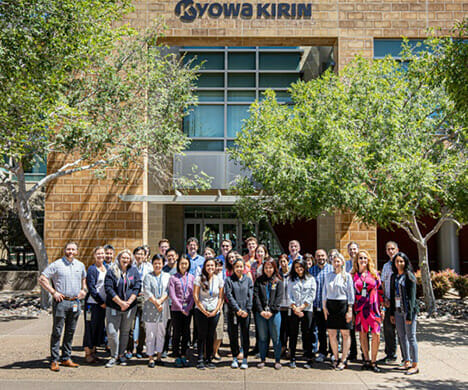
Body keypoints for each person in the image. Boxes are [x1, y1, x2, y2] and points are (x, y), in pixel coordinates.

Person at [39, 242, 87, 371]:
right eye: (68, 249)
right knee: (57, 331)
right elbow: (42, 278)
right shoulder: (57, 264)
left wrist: (84, 290)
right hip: (61, 302)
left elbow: (84, 278)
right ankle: (54, 360)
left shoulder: (80, 265)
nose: (71, 251)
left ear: (76, 251)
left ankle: (66, 357)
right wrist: (53, 292)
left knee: (70, 331)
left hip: (75, 302)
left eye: (73, 249)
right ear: (64, 250)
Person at [104, 249, 141, 367]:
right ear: (119, 258)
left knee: (125, 332)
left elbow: (137, 286)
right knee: (112, 332)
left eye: (127, 258)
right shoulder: (112, 270)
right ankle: (113, 356)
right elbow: (108, 288)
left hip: (130, 307)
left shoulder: (134, 271)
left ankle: (121, 355)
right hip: (114, 306)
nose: (125, 260)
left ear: (131, 259)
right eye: (123, 257)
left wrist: (128, 303)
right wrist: (121, 303)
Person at [351, 250, 384, 372]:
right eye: (360, 258)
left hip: (373, 309)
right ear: (357, 260)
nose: (363, 260)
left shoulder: (374, 274)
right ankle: (366, 359)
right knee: (363, 334)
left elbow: (381, 292)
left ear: (368, 260)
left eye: (365, 258)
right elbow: (351, 294)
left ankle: (374, 361)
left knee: (376, 334)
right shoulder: (353, 276)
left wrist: (383, 308)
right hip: (360, 309)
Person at [322, 252, 355, 370]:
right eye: (334, 261)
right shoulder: (328, 276)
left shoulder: (347, 276)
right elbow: (324, 292)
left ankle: (344, 359)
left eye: (338, 261)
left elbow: (351, 294)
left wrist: (350, 309)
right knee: (331, 333)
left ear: (342, 262)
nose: (336, 263)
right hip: (331, 305)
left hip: (343, 305)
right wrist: (324, 307)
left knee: (345, 333)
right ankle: (335, 358)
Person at [389, 252, 419, 375]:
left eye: (401, 261)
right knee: (401, 337)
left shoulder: (409, 276)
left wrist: (410, 315)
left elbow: (412, 298)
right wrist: (391, 313)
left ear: (405, 262)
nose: (399, 264)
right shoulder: (394, 277)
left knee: (411, 337)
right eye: (397, 261)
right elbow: (392, 295)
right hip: (397, 311)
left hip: (407, 311)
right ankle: (406, 360)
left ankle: (415, 364)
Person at [193, 258, 224, 369]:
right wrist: (203, 310)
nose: (210, 268)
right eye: (208, 265)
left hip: (214, 311)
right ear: (204, 267)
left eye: (212, 265)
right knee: (202, 335)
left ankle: (209, 359)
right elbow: (196, 296)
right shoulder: (199, 279)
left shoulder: (219, 279)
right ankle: (200, 358)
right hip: (201, 310)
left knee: (211, 335)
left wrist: (215, 311)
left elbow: (220, 297)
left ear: (215, 267)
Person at [253, 257, 284, 369]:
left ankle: (277, 360)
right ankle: (262, 359)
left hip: (274, 314)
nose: (268, 269)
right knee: (262, 337)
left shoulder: (278, 281)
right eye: (266, 267)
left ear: (274, 268)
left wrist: (271, 311)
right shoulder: (259, 281)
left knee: (276, 337)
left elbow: (279, 299)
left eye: (270, 267)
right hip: (261, 314)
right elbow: (256, 297)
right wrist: (261, 311)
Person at [142, 254, 171, 367]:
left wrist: (161, 301)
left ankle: (159, 355)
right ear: (152, 264)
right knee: (150, 334)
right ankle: (150, 357)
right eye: (155, 263)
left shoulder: (167, 276)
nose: (157, 265)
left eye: (160, 263)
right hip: (151, 308)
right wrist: (156, 302)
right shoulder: (148, 276)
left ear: (163, 264)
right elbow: (147, 291)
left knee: (161, 333)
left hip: (163, 308)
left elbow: (168, 291)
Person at [225, 258, 253, 369]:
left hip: (245, 312)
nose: (239, 269)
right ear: (233, 268)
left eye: (241, 266)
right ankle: (235, 357)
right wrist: (237, 309)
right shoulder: (229, 280)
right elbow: (229, 295)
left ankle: (245, 358)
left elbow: (250, 295)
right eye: (237, 267)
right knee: (233, 335)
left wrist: (247, 309)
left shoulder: (248, 280)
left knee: (245, 335)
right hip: (233, 312)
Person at [288, 258, 316, 369]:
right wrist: (295, 308)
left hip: (307, 309)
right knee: (293, 333)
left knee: (307, 333)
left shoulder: (311, 279)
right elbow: (289, 295)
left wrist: (302, 307)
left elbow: (312, 295)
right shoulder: (291, 280)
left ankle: (309, 357)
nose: (299, 269)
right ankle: (292, 357)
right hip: (294, 309)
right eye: (296, 268)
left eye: (301, 267)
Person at [168, 255, 194, 368]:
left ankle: (184, 354)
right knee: (176, 333)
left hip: (188, 309)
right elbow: (172, 295)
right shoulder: (173, 278)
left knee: (186, 332)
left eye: (186, 264)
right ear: (178, 265)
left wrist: (188, 308)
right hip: (176, 309)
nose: (184, 266)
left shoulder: (192, 277)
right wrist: (181, 308)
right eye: (182, 263)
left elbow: (194, 295)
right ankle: (176, 355)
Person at [127, 246, 153, 359]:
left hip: (144, 298)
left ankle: (140, 349)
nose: (140, 256)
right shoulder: (129, 267)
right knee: (130, 325)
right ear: (134, 255)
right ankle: (129, 349)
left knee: (143, 326)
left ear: (145, 256)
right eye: (137, 254)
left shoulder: (149, 267)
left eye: (142, 254)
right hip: (132, 298)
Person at [83, 246, 108, 364]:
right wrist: (101, 302)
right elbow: (92, 288)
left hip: (103, 305)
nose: (100, 256)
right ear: (94, 255)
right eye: (98, 253)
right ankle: (87, 353)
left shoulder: (106, 268)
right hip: (92, 304)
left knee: (98, 328)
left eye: (102, 253)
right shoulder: (92, 269)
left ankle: (93, 352)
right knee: (90, 328)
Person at [310, 249, 333, 363]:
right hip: (316, 306)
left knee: (333, 330)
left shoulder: (332, 269)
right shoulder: (311, 270)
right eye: (318, 256)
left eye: (322, 255)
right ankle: (323, 351)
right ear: (315, 257)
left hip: (330, 306)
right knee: (321, 331)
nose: (321, 258)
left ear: (326, 257)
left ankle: (333, 353)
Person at [379, 241, 400, 364]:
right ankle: (390, 354)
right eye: (388, 249)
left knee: (402, 330)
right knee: (388, 329)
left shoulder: (401, 264)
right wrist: (384, 299)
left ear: (397, 250)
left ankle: (406, 357)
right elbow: (382, 283)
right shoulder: (386, 266)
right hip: (388, 303)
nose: (390, 251)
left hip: (398, 303)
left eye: (392, 249)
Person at [161, 248, 179, 358]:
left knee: (177, 328)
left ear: (177, 256)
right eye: (169, 256)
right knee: (166, 328)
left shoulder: (179, 269)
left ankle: (176, 349)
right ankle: (164, 349)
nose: (171, 258)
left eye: (173, 256)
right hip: (166, 302)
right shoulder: (164, 269)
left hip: (177, 303)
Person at [345, 241, 359, 361]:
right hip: (350, 301)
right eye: (350, 249)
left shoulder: (363, 263)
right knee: (351, 328)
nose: (352, 251)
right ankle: (353, 352)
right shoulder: (346, 265)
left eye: (354, 249)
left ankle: (366, 354)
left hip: (362, 301)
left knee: (364, 329)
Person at [278, 254, 291, 358]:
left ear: (288, 261)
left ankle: (290, 348)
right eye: (281, 262)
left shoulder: (292, 273)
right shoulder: (277, 274)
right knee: (282, 328)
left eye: (284, 261)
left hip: (290, 306)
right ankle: (283, 347)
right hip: (280, 305)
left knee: (290, 328)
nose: (283, 263)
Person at [213, 258, 225, 360]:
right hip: (207, 308)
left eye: (219, 265)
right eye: (215, 265)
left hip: (219, 307)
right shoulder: (205, 278)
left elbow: (222, 295)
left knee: (219, 332)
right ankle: (207, 352)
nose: (217, 268)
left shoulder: (222, 278)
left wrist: (219, 307)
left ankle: (215, 351)